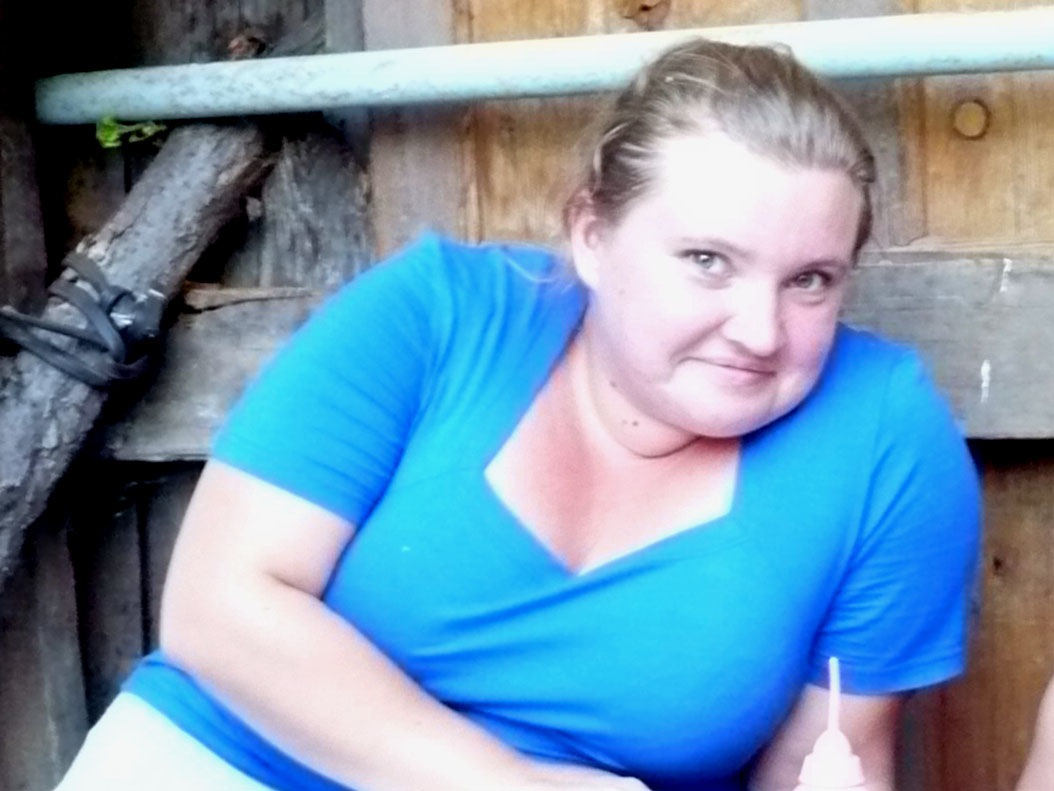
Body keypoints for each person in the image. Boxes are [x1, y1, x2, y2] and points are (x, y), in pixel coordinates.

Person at [55, 37, 981, 791]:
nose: (760, 329)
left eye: (810, 280)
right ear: (592, 234)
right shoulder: (435, 315)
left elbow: (827, 763)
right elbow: (219, 607)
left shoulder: (883, 441)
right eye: (707, 261)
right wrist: (506, 782)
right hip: (230, 764)